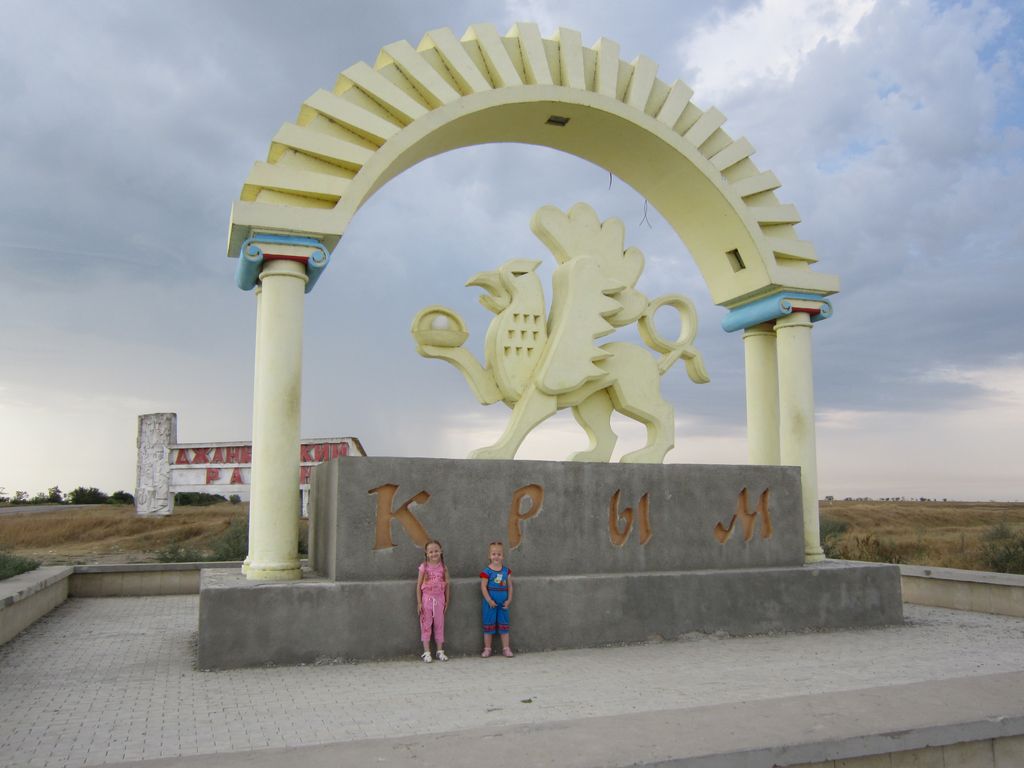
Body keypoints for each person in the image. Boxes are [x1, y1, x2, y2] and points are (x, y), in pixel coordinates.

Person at [417, 539, 450, 662]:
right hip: (427, 600)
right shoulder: (424, 567)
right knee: (426, 625)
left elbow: (447, 585)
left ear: (441, 551)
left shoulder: (443, 567)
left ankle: (439, 651)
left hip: (440, 599)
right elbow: (418, 585)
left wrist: (447, 601)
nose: (434, 553)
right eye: (431, 552)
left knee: (439, 625)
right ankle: (426, 652)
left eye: (436, 551)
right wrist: (419, 602)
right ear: (426, 553)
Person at [479, 540, 513, 657]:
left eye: (499, 554)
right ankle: (487, 648)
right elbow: (483, 587)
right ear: (489, 556)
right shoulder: (487, 572)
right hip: (490, 604)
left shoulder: (506, 571)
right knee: (489, 626)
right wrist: (489, 600)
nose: (496, 556)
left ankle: (506, 648)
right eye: (494, 554)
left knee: (504, 626)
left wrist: (509, 600)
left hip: (503, 604)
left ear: (503, 556)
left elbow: (510, 586)